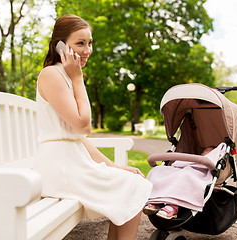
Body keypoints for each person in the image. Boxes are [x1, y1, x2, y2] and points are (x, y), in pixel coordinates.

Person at [34, 14, 152, 240]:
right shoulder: (52, 75)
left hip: (72, 162)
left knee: (134, 184)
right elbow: (84, 125)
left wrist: (113, 166)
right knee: (134, 188)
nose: (87, 50)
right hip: (60, 168)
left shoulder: (67, 76)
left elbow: (78, 136)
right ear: (60, 45)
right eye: (80, 43)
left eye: (89, 43)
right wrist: (78, 79)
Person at [143, 146, 223, 219]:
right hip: (181, 169)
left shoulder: (209, 162)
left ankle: (173, 205)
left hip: (194, 173)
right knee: (159, 170)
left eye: (207, 150)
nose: (203, 152)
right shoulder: (194, 160)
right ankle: (157, 200)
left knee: (185, 175)